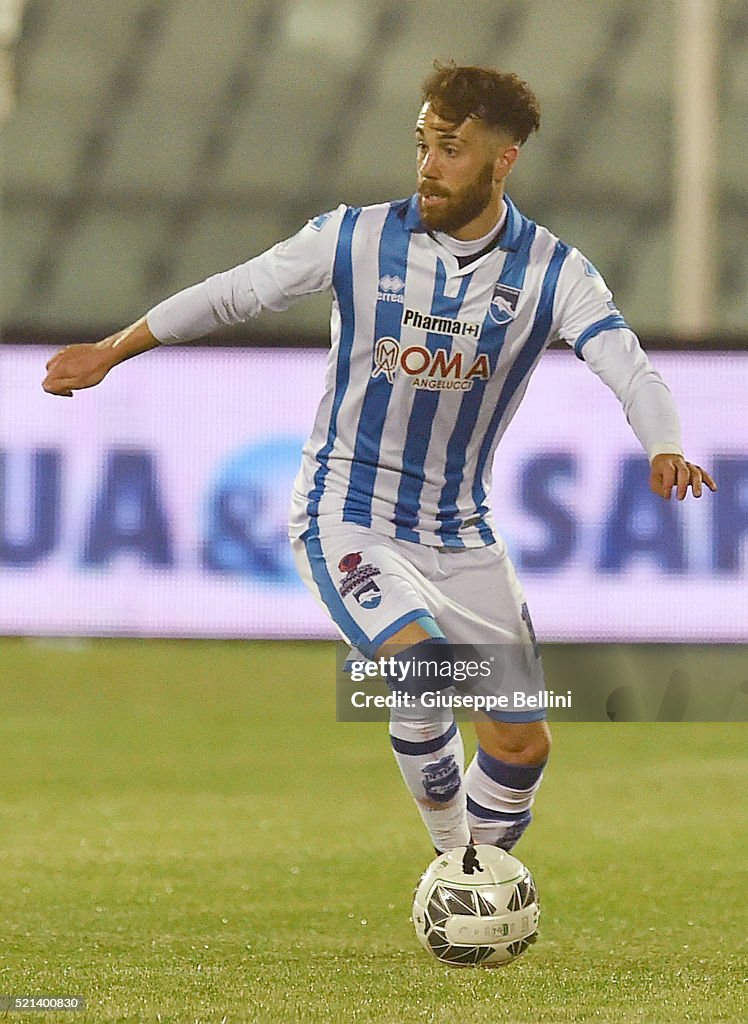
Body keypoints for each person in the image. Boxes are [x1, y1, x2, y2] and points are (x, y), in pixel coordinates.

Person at [42, 63, 716, 856]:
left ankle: (482, 879)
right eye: (423, 144)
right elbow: (236, 292)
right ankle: (452, 866)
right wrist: (116, 350)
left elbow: (628, 365)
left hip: (463, 536)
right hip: (348, 513)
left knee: (522, 746)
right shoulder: (354, 238)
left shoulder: (552, 273)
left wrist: (663, 442)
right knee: (423, 667)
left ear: (504, 162)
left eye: (452, 150)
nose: (429, 166)